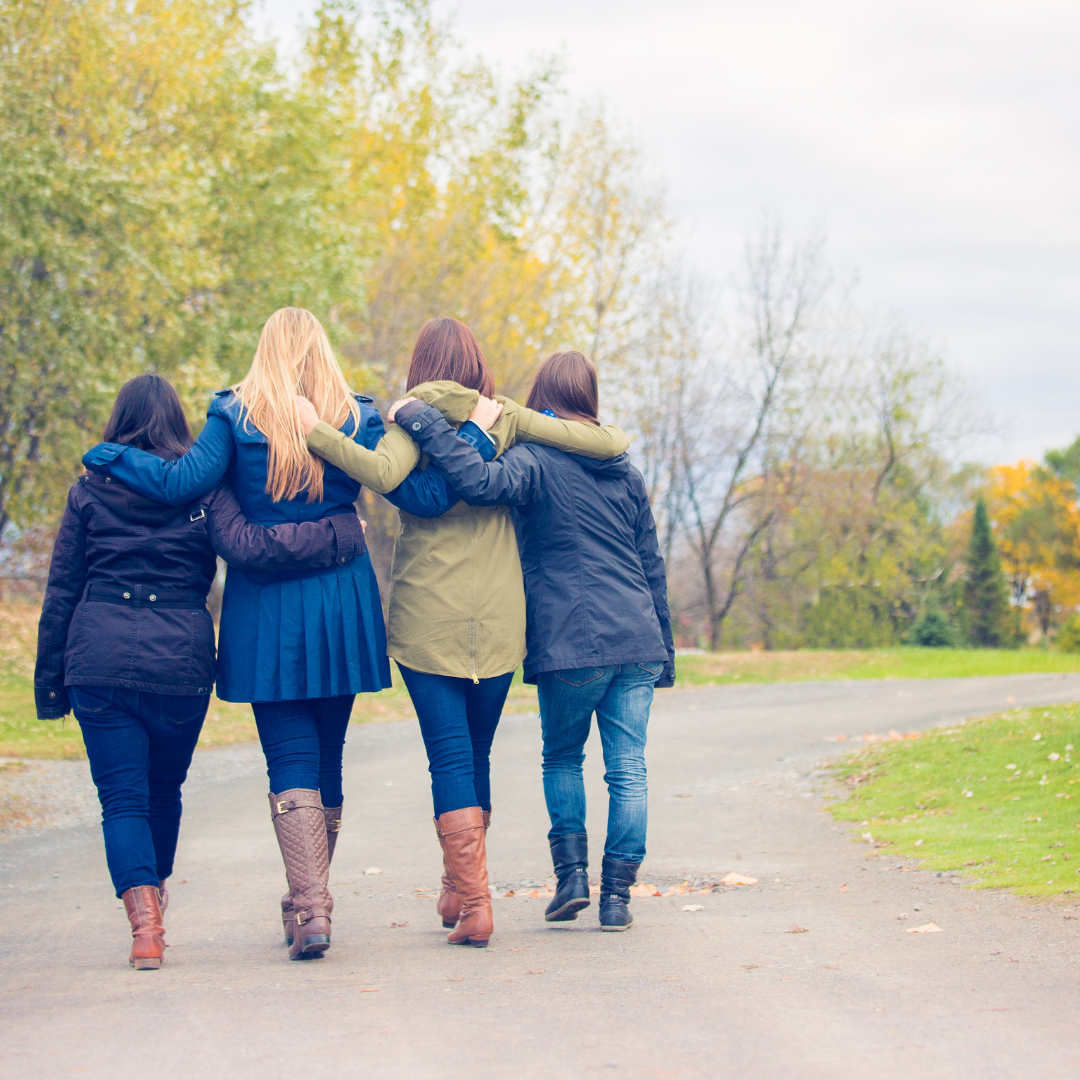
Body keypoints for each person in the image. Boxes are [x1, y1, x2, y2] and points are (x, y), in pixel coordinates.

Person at [79, 309, 488, 960]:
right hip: (341, 599)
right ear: (322, 351)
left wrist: (105, 453)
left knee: (290, 759)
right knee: (328, 759)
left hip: (267, 608)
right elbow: (402, 486)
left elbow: (178, 482)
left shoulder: (234, 416)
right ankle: (311, 902)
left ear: (264, 350)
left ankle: (312, 908)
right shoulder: (357, 415)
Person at [296, 317, 631, 947]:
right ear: (477, 365)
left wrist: (309, 428)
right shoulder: (506, 419)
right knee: (475, 752)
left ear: (420, 367)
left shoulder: (407, 420)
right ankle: (460, 887)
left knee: (448, 754)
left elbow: (382, 474)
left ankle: (475, 902)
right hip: (503, 616)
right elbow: (607, 443)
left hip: (429, 615)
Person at [35, 373, 362, 969]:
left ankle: (147, 929)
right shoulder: (205, 492)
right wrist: (339, 530)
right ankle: (160, 907)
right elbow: (254, 548)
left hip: (99, 656)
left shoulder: (90, 490)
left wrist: (50, 682)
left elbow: (63, 591)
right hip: (180, 662)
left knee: (122, 800)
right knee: (162, 791)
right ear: (180, 426)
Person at [390, 350, 675, 931]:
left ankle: (571, 878)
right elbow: (652, 564)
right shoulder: (625, 470)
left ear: (542, 402)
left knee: (563, 756)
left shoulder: (534, 460)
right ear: (591, 402)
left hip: (573, 639)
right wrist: (664, 651)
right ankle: (617, 897)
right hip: (639, 637)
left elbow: (473, 480)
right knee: (630, 769)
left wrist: (422, 422)